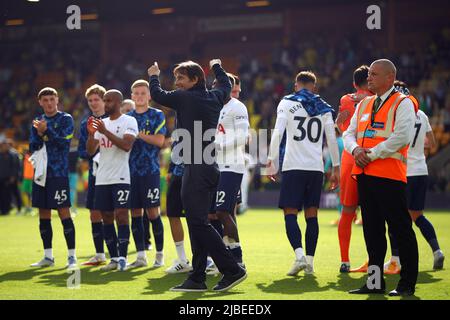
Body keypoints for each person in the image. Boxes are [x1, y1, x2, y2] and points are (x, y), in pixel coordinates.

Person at [148, 59, 246, 292]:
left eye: (181, 78)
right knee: (197, 222)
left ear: (195, 80)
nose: (177, 83)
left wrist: (153, 74)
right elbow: (223, 82)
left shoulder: (185, 98)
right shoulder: (216, 97)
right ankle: (198, 277)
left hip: (196, 166)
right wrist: (218, 67)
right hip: (208, 166)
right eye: (176, 78)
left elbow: (157, 95)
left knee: (198, 223)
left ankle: (232, 269)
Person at [344, 59, 419, 296]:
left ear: (389, 77)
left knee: (400, 230)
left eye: (374, 74)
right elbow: (348, 134)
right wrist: (355, 150)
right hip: (365, 176)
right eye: (370, 74)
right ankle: (375, 283)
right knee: (373, 233)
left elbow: (402, 136)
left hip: (389, 176)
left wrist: (371, 154)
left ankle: (407, 284)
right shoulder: (364, 103)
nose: (369, 78)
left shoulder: (403, 103)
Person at [267, 71, 340, 276]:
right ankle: (310, 262)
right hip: (315, 169)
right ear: (314, 87)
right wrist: (336, 168)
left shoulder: (287, 102)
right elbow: (331, 140)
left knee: (290, 213)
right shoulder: (323, 107)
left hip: (294, 166)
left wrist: (272, 161)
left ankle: (299, 256)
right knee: (312, 215)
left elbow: (278, 132)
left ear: (296, 85)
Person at [384, 81, 445, 273]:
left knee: (394, 218)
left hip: (403, 172)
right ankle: (437, 251)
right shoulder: (422, 114)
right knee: (417, 216)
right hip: (421, 170)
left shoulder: (395, 113)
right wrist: (419, 149)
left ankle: (396, 260)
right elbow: (432, 143)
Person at [86, 89, 138, 272]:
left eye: (107, 101)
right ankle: (114, 258)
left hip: (121, 176)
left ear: (117, 102)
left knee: (121, 215)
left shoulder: (129, 121)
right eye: (104, 100)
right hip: (102, 178)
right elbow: (91, 151)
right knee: (106, 216)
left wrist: (104, 132)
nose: (104, 104)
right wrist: (92, 134)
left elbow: (126, 146)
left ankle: (123, 257)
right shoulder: (102, 123)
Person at [29, 87, 77, 269]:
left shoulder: (65, 119)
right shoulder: (37, 122)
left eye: (51, 99)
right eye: (45, 100)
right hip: (41, 174)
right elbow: (32, 146)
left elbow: (64, 143)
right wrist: (41, 134)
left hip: (58, 173)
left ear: (57, 100)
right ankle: (48, 256)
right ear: (40, 102)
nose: (49, 103)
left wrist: (46, 132)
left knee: (63, 212)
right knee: (43, 214)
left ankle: (72, 256)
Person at [335, 65, 373, 273]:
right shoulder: (379, 98)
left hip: (350, 156)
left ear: (353, 83)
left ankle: (344, 260)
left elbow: (341, 126)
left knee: (347, 211)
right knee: (373, 212)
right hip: (372, 157)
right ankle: (374, 260)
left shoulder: (345, 99)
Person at [127, 79, 166, 269]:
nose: (140, 96)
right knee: (135, 213)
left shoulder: (157, 115)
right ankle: (140, 256)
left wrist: (139, 135)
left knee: (152, 213)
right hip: (130, 172)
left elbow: (159, 141)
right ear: (132, 96)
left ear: (149, 96)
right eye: (137, 93)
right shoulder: (127, 117)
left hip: (150, 171)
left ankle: (159, 255)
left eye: (143, 93)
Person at [214, 73, 250, 268]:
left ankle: (237, 258)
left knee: (222, 212)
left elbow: (243, 136)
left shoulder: (237, 107)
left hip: (231, 166)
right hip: (213, 165)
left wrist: (219, 146)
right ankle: (221, 256)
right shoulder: (213, 105)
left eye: (217, 83)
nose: (214, 86)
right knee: (218, 213)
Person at [78, 84, 108, 266]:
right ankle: (99, 254)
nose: (93, 103)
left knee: (115, 213)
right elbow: (83, 152)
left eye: (96, 99)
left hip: (115, 171)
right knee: (94, 213)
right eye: (90, 100)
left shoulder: (114, 119)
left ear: (104, 100)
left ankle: (119, 254)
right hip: (95, 172)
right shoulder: (85, 124)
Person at [164, 136, 193, 274]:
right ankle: (182, 259)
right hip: (177, 174)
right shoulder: (179, 117)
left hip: (194, 174)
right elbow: (176, 145)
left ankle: (206, 258)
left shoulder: (200, 115)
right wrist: (171, 169)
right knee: (172, 214)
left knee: (196, 217)